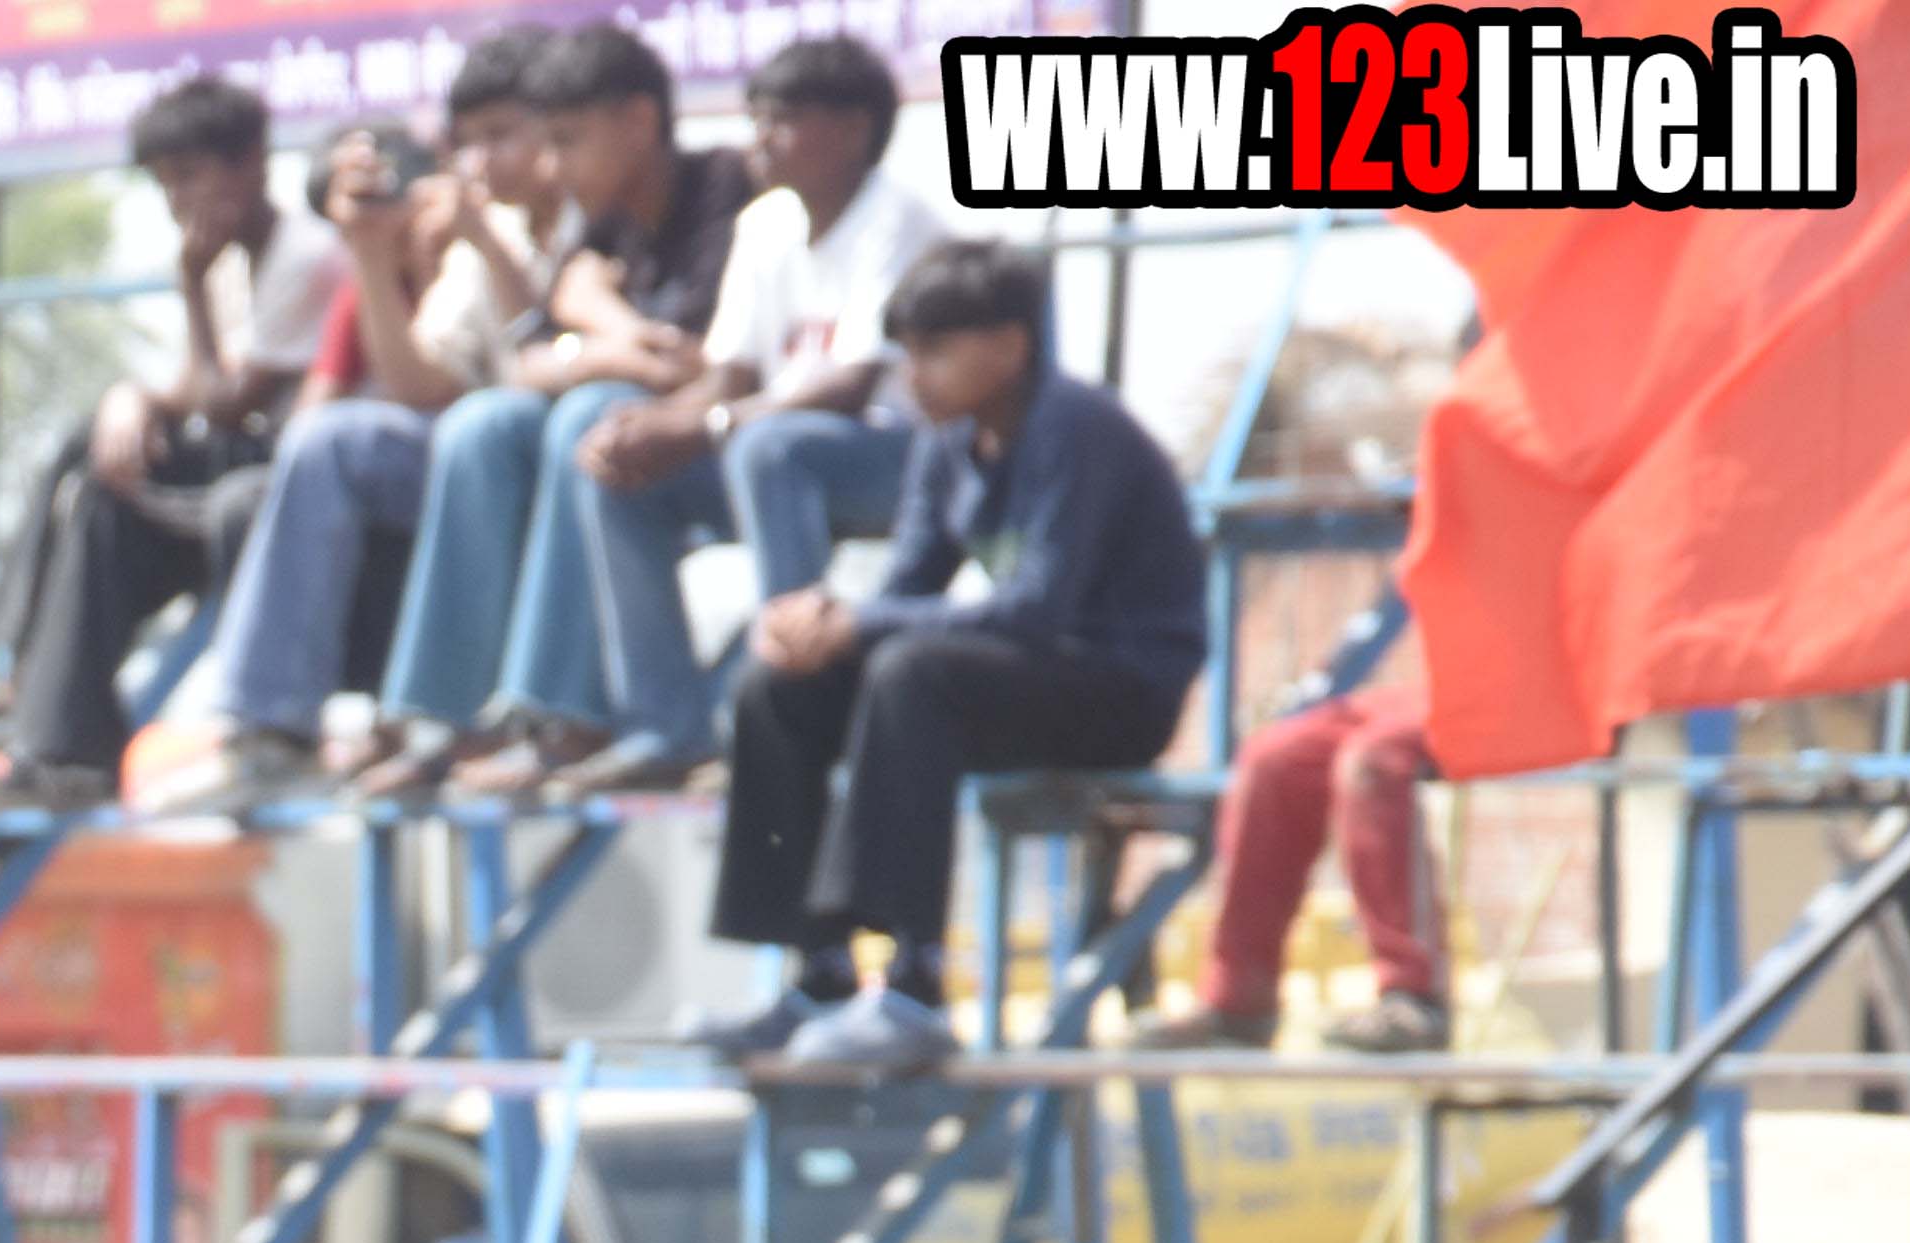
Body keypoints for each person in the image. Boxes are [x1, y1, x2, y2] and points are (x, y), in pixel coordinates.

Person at [700, 240, 1209, 1073]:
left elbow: (1039, 608)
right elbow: (906, 585)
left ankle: (915, 986)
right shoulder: (947, 440)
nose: (913, 376)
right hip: (1023, 672)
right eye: (907, 353)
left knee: (912, 673)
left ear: (1007, 346)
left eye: (933, 351)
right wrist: (822, 627)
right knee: (778, 688)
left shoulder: (1078, 429)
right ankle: (819, 974)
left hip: (1118, 688)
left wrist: (860, 624)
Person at [528, 32, 959, 792]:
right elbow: (728, 378)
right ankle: (666, 728)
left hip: (901, 460)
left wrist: (706, 425)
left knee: (770, 448)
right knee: (619, 462)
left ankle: (788, 711)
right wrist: (652, 428)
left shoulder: (897, 217)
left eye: (784, 119)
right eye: (757, 116)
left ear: (853, 129)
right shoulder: (766, 223)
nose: (761, 137)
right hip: (782, 452)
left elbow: (852, 387)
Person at [0, 70, 341, 802]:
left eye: (190, 176)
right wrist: (130, 398)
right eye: (165, 185)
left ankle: (19, 684)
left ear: (252, 162)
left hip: (285, 477)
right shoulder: (231, 260)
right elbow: (192, 390)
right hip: (231, 464)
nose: (179, 201)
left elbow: (229, 405)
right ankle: (63, 750)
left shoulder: (304, 257)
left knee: (94, 451)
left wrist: (192, 288)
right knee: (96, 498)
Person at [167, 33, 569, 806]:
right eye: (470, 143)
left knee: (473, 432)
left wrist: (480, 241)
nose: (481, 163)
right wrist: (371, 254)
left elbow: (533, 359)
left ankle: (425, 716)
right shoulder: (468, 246)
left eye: (502, 136)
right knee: (323, 450)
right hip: (470, 464)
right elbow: (418, 385)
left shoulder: (564, 222)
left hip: (549, 459)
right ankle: (270, 728)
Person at [360, 21, 756, 801]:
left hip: (723, 444)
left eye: (567, 141)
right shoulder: (607, 216)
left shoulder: (725, 192)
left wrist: (602, 333)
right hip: (638, 434)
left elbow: (699, 367)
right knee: (484, 424)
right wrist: (616, 342)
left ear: (638, 121)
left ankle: (563, 717)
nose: (552, 165)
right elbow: (531, 358)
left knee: (590, 417)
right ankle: (453, 718)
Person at [1133, 651, 1451, 1052]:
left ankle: (1415, 999)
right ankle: (1238, 1003)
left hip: (1518, 691)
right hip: (1448, 686)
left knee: (1375, 755)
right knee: (1273, 756)